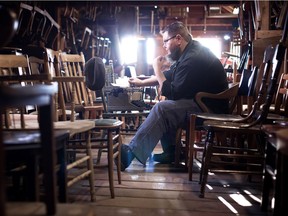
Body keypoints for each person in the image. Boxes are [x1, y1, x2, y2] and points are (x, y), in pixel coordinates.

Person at [118, 21, 229, 171]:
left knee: (163, 108)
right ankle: (171, 152)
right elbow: (171, 75)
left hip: (210, 108)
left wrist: (156, 68)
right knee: (168, 105)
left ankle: (131, 153)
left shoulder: (193, 58)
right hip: (203, 102)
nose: (164, 46)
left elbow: (173, 91)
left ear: (178, 39)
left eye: (165, 41)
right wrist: (140, 82)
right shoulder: (190, 52)